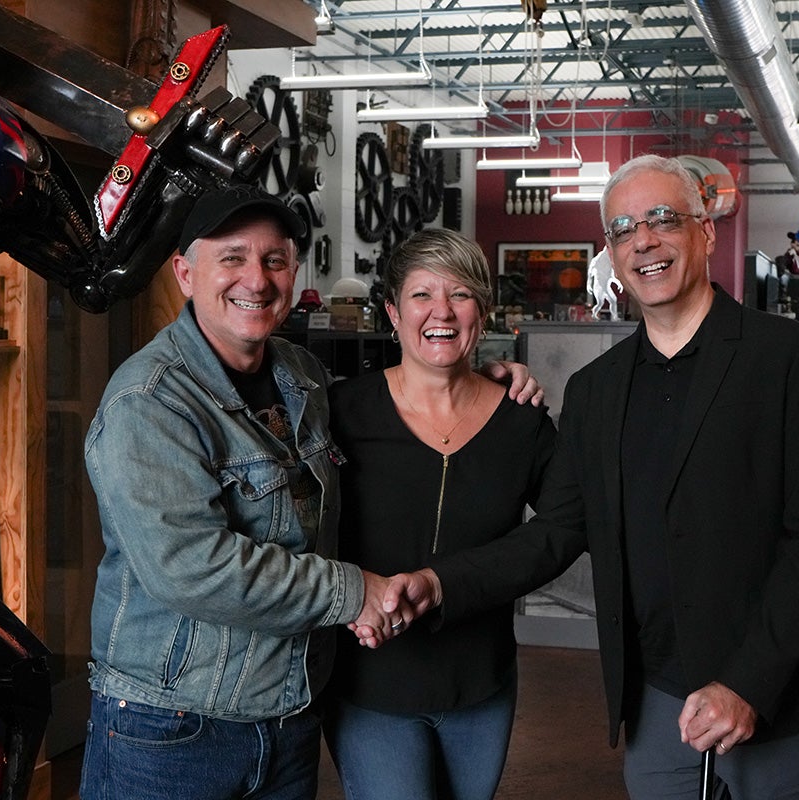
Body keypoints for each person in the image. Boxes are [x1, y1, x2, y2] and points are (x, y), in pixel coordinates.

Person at [381, 154, 799, 799]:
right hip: (656, 698)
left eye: (663, 219)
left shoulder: (789, 357)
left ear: (706, 232)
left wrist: (749, 683)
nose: (644, 241)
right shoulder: (596, 390)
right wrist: (440, 583)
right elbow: (556, 530)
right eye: (624, 228)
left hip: (777, 695)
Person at [78, 185, 537, 800]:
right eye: (233, 258)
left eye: (275, 260)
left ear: (294, 272)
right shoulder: (150, 402)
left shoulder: (301, 375)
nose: (258, 280)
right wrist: (358, 594)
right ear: (186, 273)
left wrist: (477, 378)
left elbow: (399, 413)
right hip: (170, 725)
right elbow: (192, 567)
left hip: (286, 715)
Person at [323, 228, 556, 800]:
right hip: (370, 683)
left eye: (461, 294)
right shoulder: (338, 413)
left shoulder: (521, 421)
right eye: (422, 295)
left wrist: (445, 584)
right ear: (392, 312)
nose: (441, 312)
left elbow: (568, 525)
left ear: (483, 311)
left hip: (481, 682)